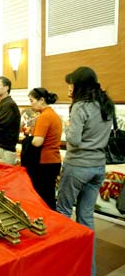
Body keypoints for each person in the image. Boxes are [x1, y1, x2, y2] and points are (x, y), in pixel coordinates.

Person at [56, 67, 115, 276]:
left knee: (62, 213)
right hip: (98, 166)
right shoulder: (105, 104)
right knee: (86, 218)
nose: (69, 88)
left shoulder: (80, 107)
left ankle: (63, 266)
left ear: (79, 85)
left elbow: (74, 140)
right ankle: (88, 270)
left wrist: (68, 124)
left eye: (71, 84)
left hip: (78, 165)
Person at [26, 87, 62, 210]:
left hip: (44, 161)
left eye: (32, 101)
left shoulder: (44, 116)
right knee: (49, 195)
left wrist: (29, 138)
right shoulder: (53, 114)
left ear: (41, 100)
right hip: (54, 160)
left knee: (43, 197)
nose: (30, 104)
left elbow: (37, 142)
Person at [0, 76, 21, 164]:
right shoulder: (4, 103)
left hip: (3, 149)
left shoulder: (8, 104)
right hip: (1, 148)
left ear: (6, 88)